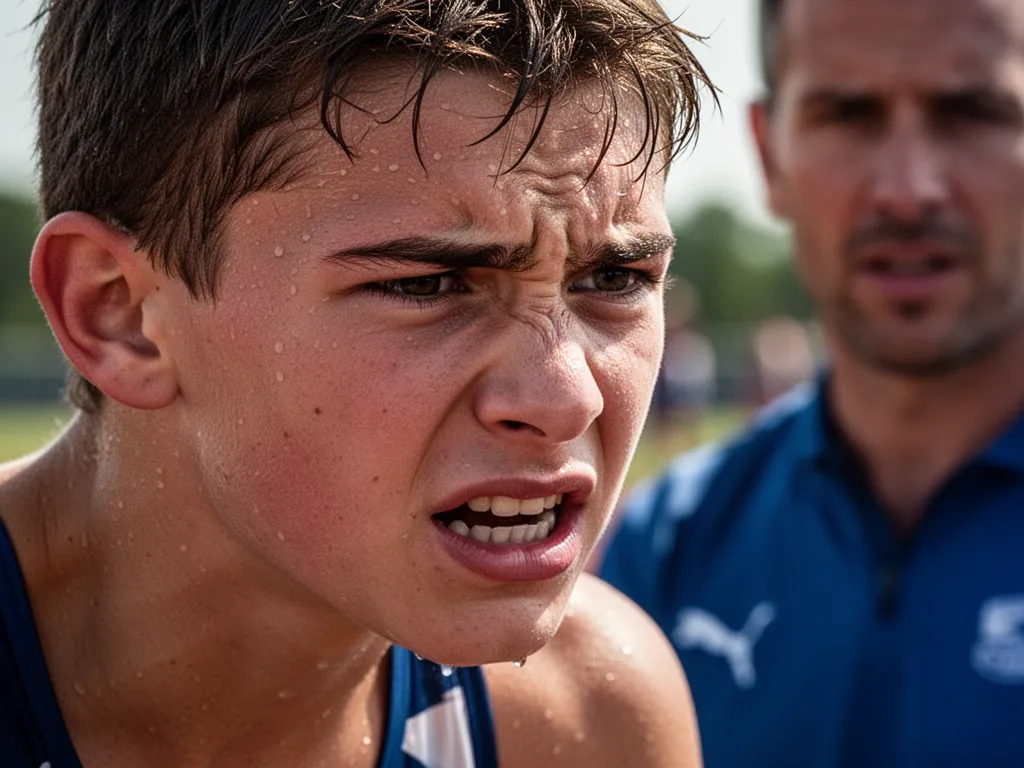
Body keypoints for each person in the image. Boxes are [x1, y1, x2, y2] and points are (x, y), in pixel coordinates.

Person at [0, 1, 712, 765]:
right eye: (429, 285)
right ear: (119, 314)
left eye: (615, 277)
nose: (566, 396)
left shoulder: (585, 718)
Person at [600, 0, 1024, 765]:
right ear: (769, 155)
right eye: (850, 114)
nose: (908, 189)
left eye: (971, 111)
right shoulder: (666, 549)